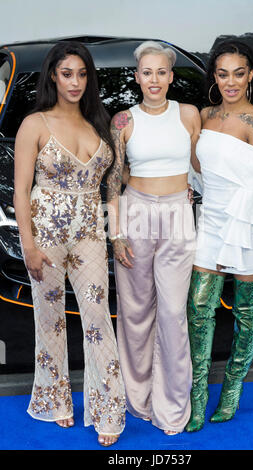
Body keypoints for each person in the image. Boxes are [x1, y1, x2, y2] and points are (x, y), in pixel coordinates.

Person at [13, 41, 126, 447]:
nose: (75, 82)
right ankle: (57, 399)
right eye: (66, 74)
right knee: (50, 319)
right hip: (45, 233)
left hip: (90, 233)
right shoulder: (35, 123)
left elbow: (116, 182)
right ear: (53, 77)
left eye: (81, 74)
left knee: (97, 317)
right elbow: (20, 192)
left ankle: (109, 408)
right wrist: (28, 244)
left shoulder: (101, 123)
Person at [106, 41, 201, 435]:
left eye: (162, 72)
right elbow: (112, 178)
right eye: (147, 72)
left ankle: (173, 406)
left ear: (171, 76)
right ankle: (139, 399)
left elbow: (200, 165)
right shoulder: (122, 121)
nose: (154, 79)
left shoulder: (189, 114)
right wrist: (116, 234)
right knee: (135, 312)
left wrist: (195, 193)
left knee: (174, 314)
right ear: (137, 77)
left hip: (179, 213)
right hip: (135, 214)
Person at [186, 40, 253, 432]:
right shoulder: (202, 115)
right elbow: (196, 168)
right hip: (211, 219)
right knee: (198, 308)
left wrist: (229, 244)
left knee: (248, 311)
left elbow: (251, 190)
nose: (231, 81)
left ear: (250, 74)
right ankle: (197, 394)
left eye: (239, 73)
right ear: (214, 77)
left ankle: (233, 389)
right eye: (223, 73)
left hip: (248, 224)